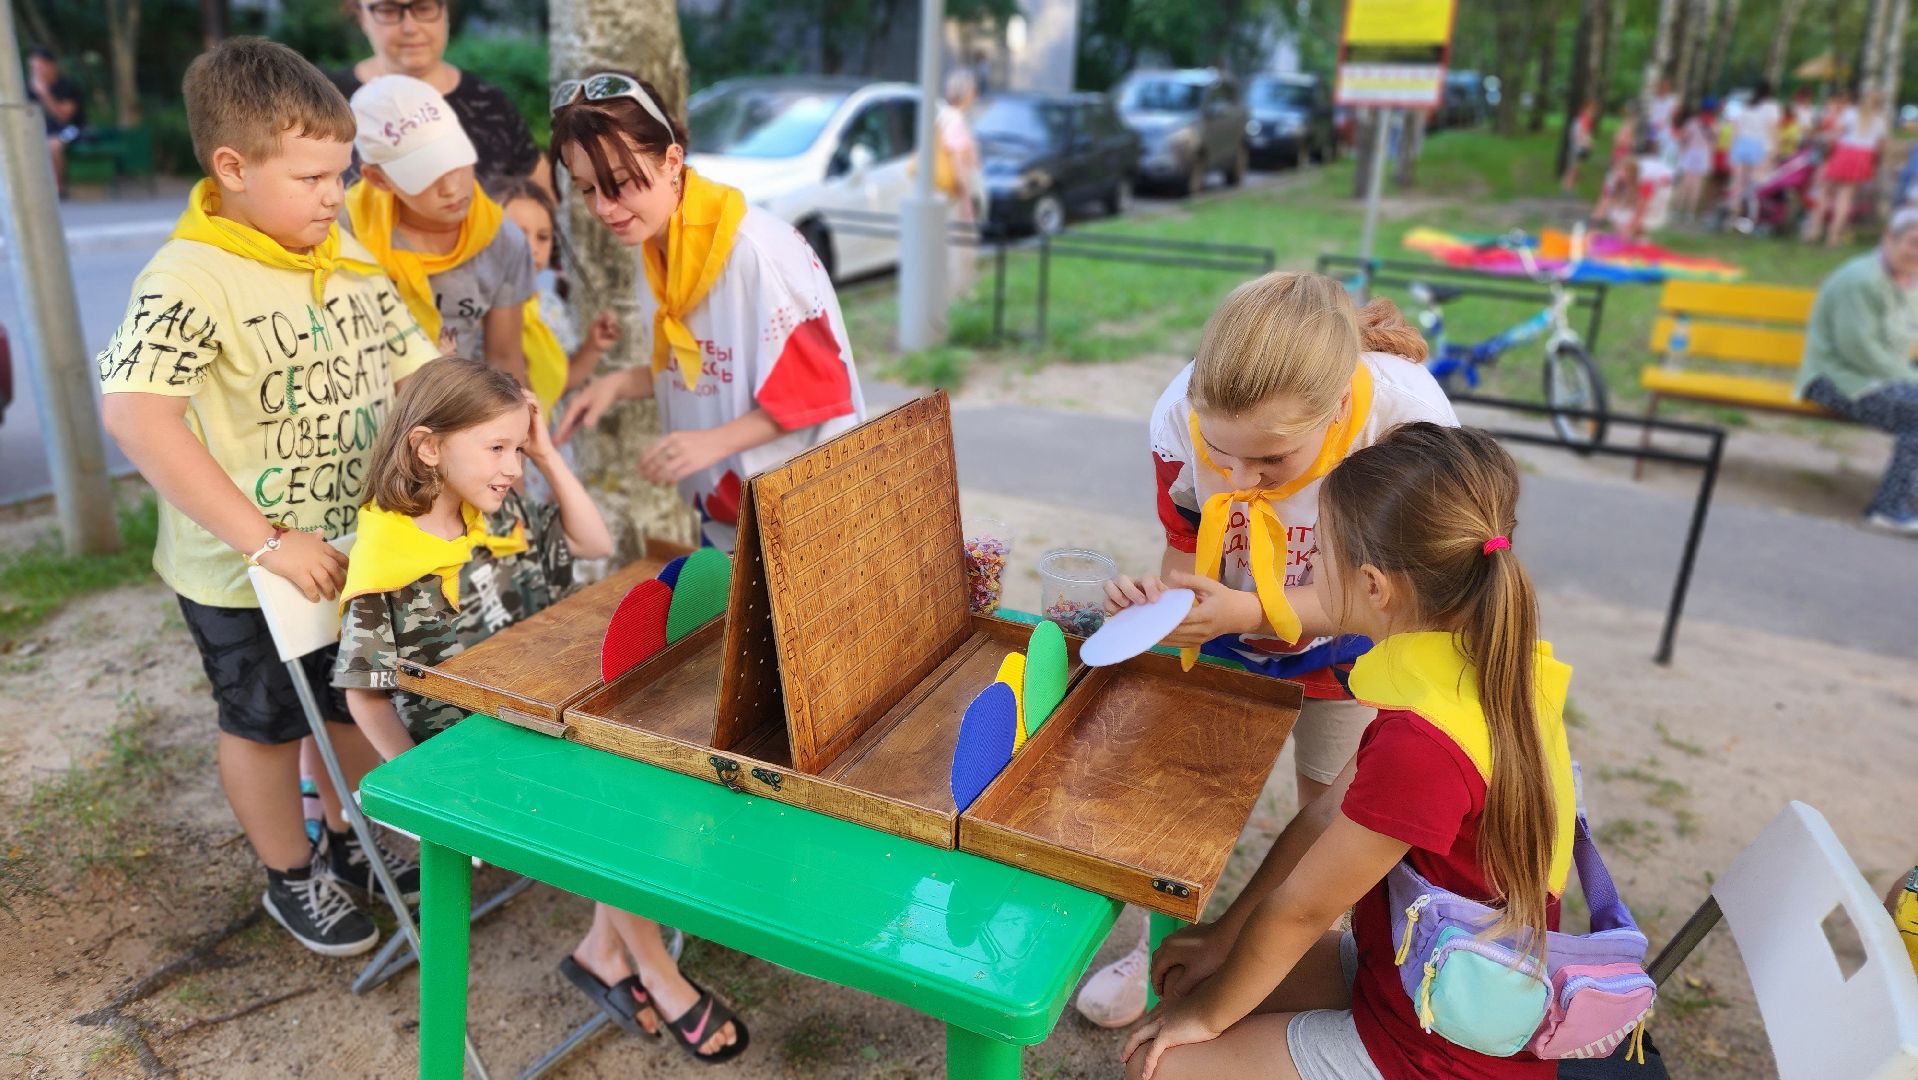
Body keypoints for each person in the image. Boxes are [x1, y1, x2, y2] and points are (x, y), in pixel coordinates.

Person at [95, 37, 438, 956]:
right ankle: (291, 873)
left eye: (342, 173)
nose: (336, 194)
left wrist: (477, 420)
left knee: (352, 696)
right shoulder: (188, 277)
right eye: (314, 177)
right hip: (244, 571)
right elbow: (135, 416)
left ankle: (354, 837)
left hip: (353, 547)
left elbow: (416, 366)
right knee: (264, 721)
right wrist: (263, 540)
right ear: (233, 168)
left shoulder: (338, 244)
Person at [1123, 421, 1576, 1080]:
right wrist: (1224, 940)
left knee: (1157, 1064)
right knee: (1192, 984)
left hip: (1437, 1049)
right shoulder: (1480, 665)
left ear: (1372, 587)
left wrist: (1208, 1019)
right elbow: (1319, 821)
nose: (1307, 570)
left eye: (1319, 556)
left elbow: (1303, 909)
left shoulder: (1425, 744)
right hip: (1405, 969)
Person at [332, 357, 747, 1062]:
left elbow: (593, 543)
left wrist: (547, 453)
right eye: (497, 449)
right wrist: (422, 783)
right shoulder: (388, 559)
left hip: (544, 709)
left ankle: (602, 951)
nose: (510, 467)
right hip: (478, 757)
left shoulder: (495, 510)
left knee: (655, 757)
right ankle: (655, 968)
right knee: (617, 804)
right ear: (429, 447)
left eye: (516, 450)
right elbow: (361, 694)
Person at [1075, 273, 1458, 1028]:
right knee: (1183, 815)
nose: (1243, 481)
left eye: (1271, 465)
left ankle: (1304, 965)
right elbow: (1186, 547)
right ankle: (1165, 953)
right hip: (1229, 625)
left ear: (1338, 410)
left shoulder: (1407, 424)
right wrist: (1165, 607)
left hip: (1359, 644)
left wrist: (1251, 608)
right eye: (1224, 455)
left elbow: (1404, 598)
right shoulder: (1181, 414)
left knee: (1333, 814)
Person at [548, 71, 867, 554]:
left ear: (672, 159)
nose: (605, 208)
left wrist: (707, 443)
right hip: (730, 524)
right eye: (587, 189)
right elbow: (706, 364)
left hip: (809, 526)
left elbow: (817, 391)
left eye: (620, 184)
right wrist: (614, 385)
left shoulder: (755, 253)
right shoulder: (656, 244)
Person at [344, 75, 532, 384]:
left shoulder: (502, 240)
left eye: (454, 163)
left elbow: (505, 359)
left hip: (461, 414)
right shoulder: (343, 231)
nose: (451, 188)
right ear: (379, 179)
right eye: (424, 175)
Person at [329, 0, 550, 193]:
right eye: (388, 10)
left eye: (424, 7)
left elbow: (542, 198)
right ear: (361, 15)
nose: (410, 27)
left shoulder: (489, 104)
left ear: (444, 10)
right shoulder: (326, 100)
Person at [1793, 206, 1918, 535]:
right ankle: (1889, 508)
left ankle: (1906, 492)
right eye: (1913, 242)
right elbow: (1860, 351)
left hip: (1881, 377)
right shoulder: (1861, 280)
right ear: (1888, 239)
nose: (1917, 253)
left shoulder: (1909, 281)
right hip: (1836, 379)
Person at [491, 175, 621, 416]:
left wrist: (593, 348)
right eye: (518, 234)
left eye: (542, 237)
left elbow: (559, 381)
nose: (531, 247)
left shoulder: (549, 306)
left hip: (547, 434)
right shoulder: (474, 308)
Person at [1806, 89, 1887, 247]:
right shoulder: (1880, 121)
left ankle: (1814, 231)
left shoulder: (1850, 113)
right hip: (1863, 157)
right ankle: (1833, 237)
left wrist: (1825, 149)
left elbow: (1835, 134)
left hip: (1844, 152)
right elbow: (1881, 146)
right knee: (1845, 198)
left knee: (1825, 192)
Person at [938, 67, 984, 301]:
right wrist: (966, 194)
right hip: (957, 193)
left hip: (948, 193)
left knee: (953, 244)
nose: (975, 94)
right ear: (965, 92)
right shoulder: (955, 120)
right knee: (962, 245)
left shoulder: (944, 116)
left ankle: (957, 291)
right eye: (973, 89)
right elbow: (957, 158)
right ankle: (960, 293)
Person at [26, 46, 86, 199]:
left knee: (53, 145)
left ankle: (58, 190)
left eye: (39, 66)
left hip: (72, 128)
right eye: (33, 68)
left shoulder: (67, 86)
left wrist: (45, 93)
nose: (36, 72)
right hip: (44, 131)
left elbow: (63, 117)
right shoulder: (30, 89)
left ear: (51, 65)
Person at [1727, 81, 1782, 226]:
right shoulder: (1771, 107)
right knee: (1752, 184)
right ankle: (1749, 216)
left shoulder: (1746, 105)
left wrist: (1732, 147)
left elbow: (1736, 127)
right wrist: (1776, 148)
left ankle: (1732, 214)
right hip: (1758, 145)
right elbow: (1772, 129)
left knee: (1737, 182)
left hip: (1740, 143)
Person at [1674, 106, 1715, 221]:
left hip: (1690, 153)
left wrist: (1681, 150)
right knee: (1696, 186)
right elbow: (1713, 143)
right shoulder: (1713, 125)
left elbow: (1683, 137)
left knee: (1684, 183)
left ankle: (1678, 209)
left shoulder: (1692, 123)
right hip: (1703, 155)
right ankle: (1690, 212)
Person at [1560, 100, 1597, 194]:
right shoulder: (1584, 119)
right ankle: (1567, 188)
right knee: (1573, 168)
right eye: (1592, 110)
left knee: (1575, 168)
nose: (1594, 113)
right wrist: (1589, 143)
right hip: (1578, 147)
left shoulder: (1582, 119)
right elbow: (1580, 134)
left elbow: (1582, 133)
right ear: (1586, 110)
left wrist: (1588, 142)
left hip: (1578, 147)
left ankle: (1570, 187)